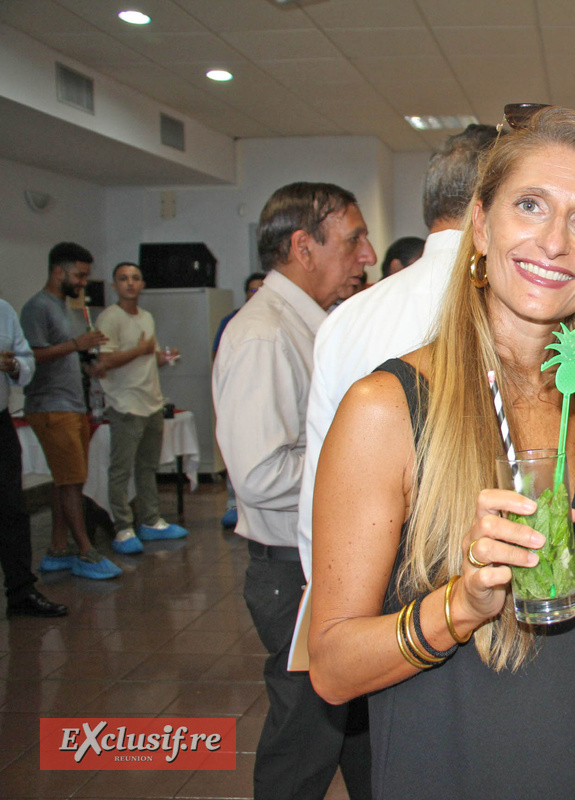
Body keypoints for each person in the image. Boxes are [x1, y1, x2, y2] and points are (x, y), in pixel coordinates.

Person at [308, 106, 575, 799]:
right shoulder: (387, 408)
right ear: (481, 224)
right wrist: (461, 607)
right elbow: (332, 667)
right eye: (530, 205)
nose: (554, 241)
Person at [213, 182, 377, 800]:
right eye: (353, 240)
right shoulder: (264, 335)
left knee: (356, 730)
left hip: (322, 564)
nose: (366, 255)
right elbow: (258, 475)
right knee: (304, 743)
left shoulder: (313, 325)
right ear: (302, 247)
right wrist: (363, 459)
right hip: (291, 573)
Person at [300, 123, 498, 580]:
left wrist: (327, 597)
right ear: (490, 202)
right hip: (486, 582)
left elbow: (317, 495)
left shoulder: (345, 319)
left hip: (361, 585)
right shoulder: (520, 312)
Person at [20, 242, 122, 580]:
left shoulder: (63, 307)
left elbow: (63, 355)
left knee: (66, 480)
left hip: (72, 404)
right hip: (51, 406)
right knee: (72, 481)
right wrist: (77, 344)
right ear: (58, 272)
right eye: (79, 275)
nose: (82, 283)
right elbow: (32, 355)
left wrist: (88, 363)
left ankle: (57, 547)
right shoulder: (37, 307)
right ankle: (85, 551)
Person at [96, 262, 189, 555]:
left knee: (148, 467)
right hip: (125, 405)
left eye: (135, 278)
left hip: (152, 402)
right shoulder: (109, 318)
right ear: (114, 285)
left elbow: (149, 359)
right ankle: (123, 527)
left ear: (143, 284)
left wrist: (165, 357)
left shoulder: (147, 317)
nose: (130, 283)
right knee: (121, 469)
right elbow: (104, 361)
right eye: (123, 278)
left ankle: (150, 520)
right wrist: (141, 350)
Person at [2, 298, 68, 617]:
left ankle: (21, 591)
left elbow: (25, 359)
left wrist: (14, 366)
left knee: (12, 509)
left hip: (0, 421)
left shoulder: (3, 311)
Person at [212, 271, 265, 529]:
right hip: (239, 398)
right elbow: (217, 359)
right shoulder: (232, 321)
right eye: (252, 290)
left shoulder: (273, 321)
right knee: (237, 451)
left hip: (262, 398)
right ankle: (233, 503)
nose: (257, 294)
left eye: (261, 289)